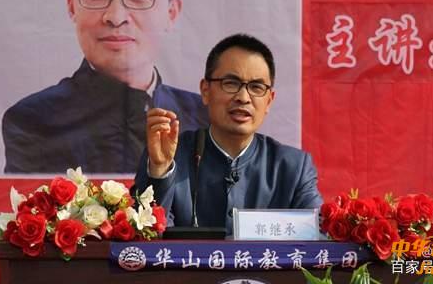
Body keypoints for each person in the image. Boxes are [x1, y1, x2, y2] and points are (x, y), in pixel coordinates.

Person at [3, 0, 208, 173]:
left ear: (171, 12)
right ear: (71, 5)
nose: (116, 16)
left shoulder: (206, 119)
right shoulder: (34, 121)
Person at [131, 34, 322, 235]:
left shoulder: (293, 168)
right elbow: (148, 238)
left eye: (256, 87)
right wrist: (160, 171)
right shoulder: (170, 155)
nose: (243, 98)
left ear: (269, 100)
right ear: (205, 91)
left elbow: (317, 238)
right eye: (231, 83)